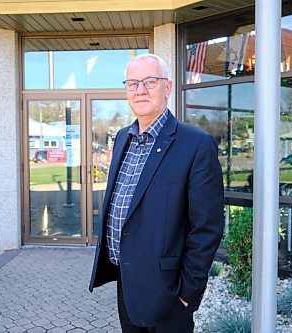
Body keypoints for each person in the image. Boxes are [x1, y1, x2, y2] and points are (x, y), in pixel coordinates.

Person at [89, 53, 224, 333]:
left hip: (169, 293)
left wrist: (187, 293)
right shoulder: (123, 137)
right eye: (132, 83)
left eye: (150, 81)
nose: (140, 90)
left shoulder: (196, 145)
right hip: (126, 282)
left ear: (168, 87)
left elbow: (207, 227)